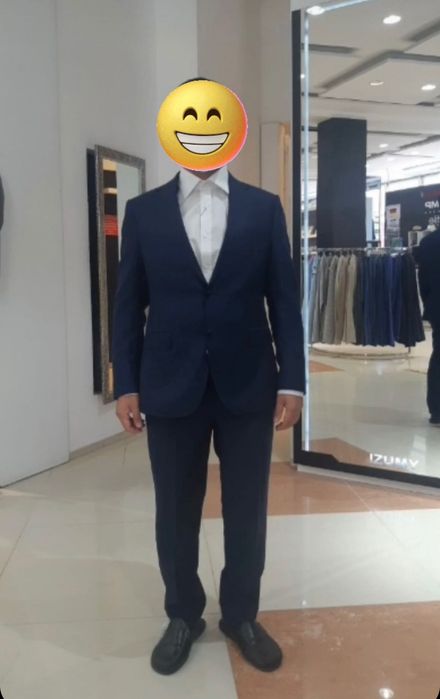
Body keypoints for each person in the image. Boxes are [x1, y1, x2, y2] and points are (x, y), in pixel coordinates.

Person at [112, 78, 305, 675]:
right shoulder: (142, 213)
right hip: (170, 384)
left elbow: (283, 300)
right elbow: (127, 304)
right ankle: (183, 614)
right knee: (175, 509)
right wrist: (126, 382)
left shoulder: (263, 209)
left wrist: (293, 381)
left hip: (249, 383)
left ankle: (241, 614)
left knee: (248, 507)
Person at [417, 225, 440, 425]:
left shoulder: (428, 243)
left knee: (438, 356)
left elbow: (422, 282)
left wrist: (430, 304)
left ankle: (437, 410)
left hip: (436, 306)